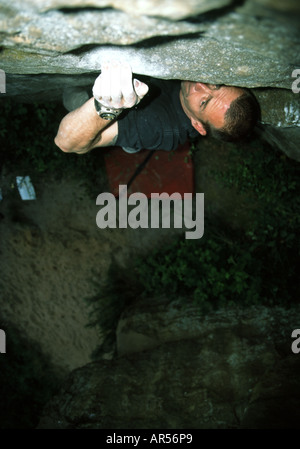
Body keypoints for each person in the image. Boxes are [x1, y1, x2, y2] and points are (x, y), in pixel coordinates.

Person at [54, 61, 260, 155]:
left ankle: (129, 143)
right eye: (217, 85)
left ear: (197, 124)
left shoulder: (157, 126)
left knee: (71, 95)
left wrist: (108, 105)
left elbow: (67, 143)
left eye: (204, 101)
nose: (201, 85)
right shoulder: (199, 82)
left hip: (141, 123)